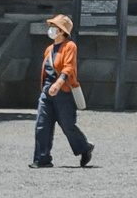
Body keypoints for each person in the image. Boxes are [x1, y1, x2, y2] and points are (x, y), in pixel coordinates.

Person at [32, 13, 94, 169]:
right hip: (47, 90)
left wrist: (58, 83)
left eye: (55, 26)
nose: (51, 29)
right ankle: (42, 158)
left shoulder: (70, 46)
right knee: (42, 124)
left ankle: (84, 147)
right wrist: (47, 88)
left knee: (67, 124)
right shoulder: (49, 49)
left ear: (62, 31)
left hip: (63, 91)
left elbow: (69, 67)